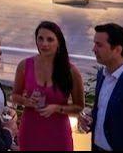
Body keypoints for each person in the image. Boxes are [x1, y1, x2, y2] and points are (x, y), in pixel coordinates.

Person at [11, 21, 84, 151]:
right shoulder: (24, 66)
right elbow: (15, 96)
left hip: (58, 132)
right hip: (30, 129)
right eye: (40, 39)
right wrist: (26, 101)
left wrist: (56, 108)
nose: (44, 44)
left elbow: (79, 107)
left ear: (58, 42)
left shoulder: (71, 71)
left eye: (50, 39)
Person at [82, 23, 123, 151]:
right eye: (94, 43)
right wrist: (91, 120)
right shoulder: (101, 75)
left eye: (99, 45)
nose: (93, 49)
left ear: (118, 50)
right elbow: (102, 112)